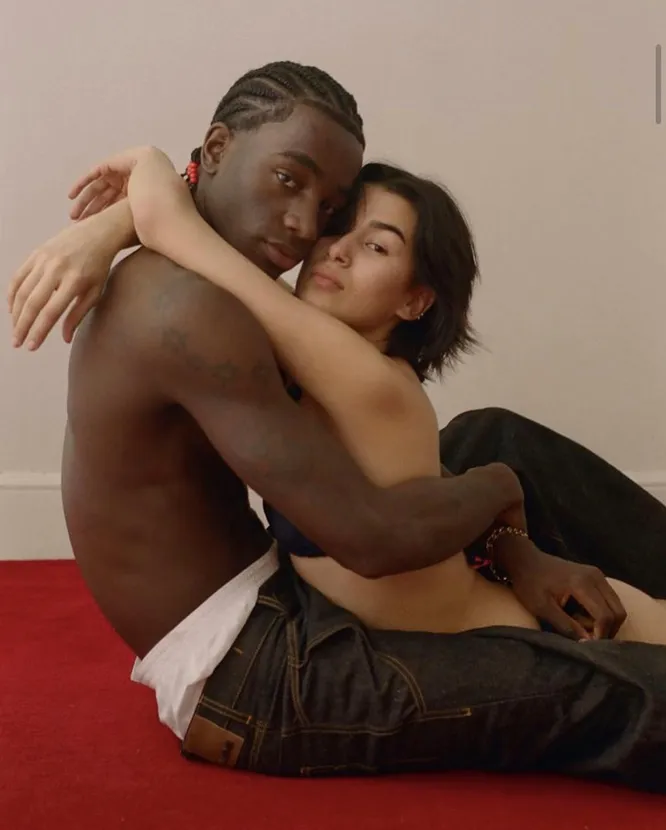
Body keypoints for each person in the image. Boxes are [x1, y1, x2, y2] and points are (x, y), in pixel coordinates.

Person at [7, 61, 666, 793]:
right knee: (608, 689)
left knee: (492, 431)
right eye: (287, 179)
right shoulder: (188, 312)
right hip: (261, 675)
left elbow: (183, 206)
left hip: (295, 586)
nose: (304, 227)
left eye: (328, 206)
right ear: (217, 148)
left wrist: (120, 219)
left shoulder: (211, 269)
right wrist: (502, 493)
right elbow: (374, 537)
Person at [43, 142, 666, 646]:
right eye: (340, 227)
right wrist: (113, 224)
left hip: (514, 640)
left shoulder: (367, 379)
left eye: (376, 246)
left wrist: (146, 171)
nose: (337, 250)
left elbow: (178, 228)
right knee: (489, 435)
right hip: (436, 621)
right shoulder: (308, 340)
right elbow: (207, 222)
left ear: (415, 300)